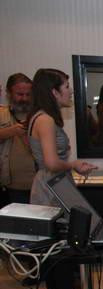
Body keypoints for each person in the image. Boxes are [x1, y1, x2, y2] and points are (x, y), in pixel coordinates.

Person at [27, 68, 97, 289]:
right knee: (64, 250)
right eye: (66, 86)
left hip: (48, 185)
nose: (70, 91)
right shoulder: (45, 120)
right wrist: (74, 164)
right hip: (52, 189)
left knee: (53, 251)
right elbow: (52, 162)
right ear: (54, 92)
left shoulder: (38, 117)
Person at [0, 73, 35, 206]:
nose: (24, 98)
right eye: (19, 94)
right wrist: (10, 131)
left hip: (39, 185)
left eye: (28, 94)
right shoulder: (1, 114)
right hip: (9, 186)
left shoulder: (39, 115)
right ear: (9, 94)